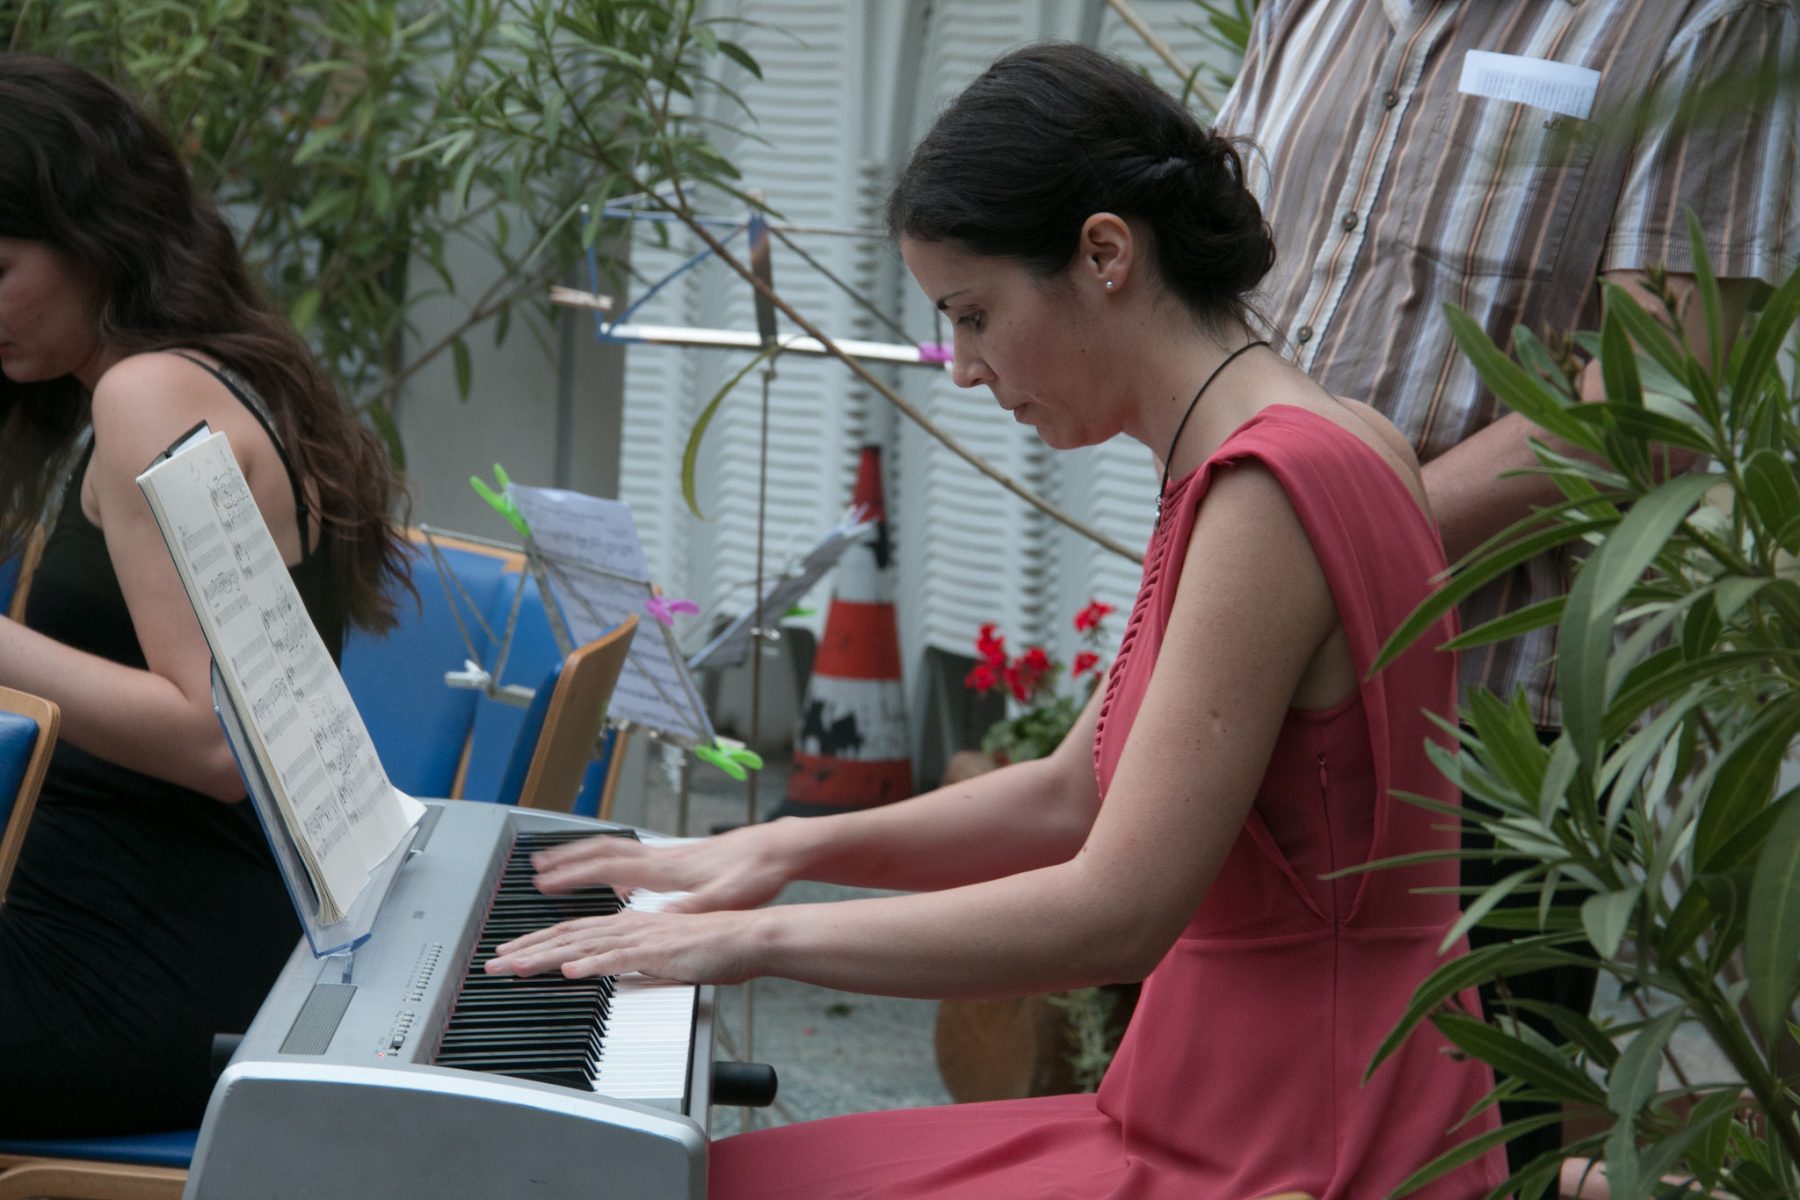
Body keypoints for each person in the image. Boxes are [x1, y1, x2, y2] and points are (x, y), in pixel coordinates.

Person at [486, 43, 1505, 1198]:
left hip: (1292, 1140)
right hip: (1243, 1098)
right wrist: (780, 850)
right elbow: (1074, 794)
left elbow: (1117, 909)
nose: (964, 368)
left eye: (975, 315)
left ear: (1105, 253)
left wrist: (751, 938)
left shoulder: (1266, 488)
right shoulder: (1334, 437)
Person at [1214, 0, 1797, 1170]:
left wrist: (1312, 556)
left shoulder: (1698, 19)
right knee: (1228, 1137)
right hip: (1234, 683)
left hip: (1484, 740)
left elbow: (1651, 409)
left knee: (1466, 1160)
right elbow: (1211, 289)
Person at [0, 55, 411, 1135]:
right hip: (164, 929)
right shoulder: (209, 372)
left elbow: (217, 743)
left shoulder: (146, 394)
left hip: (136, 961)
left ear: (94, 235)